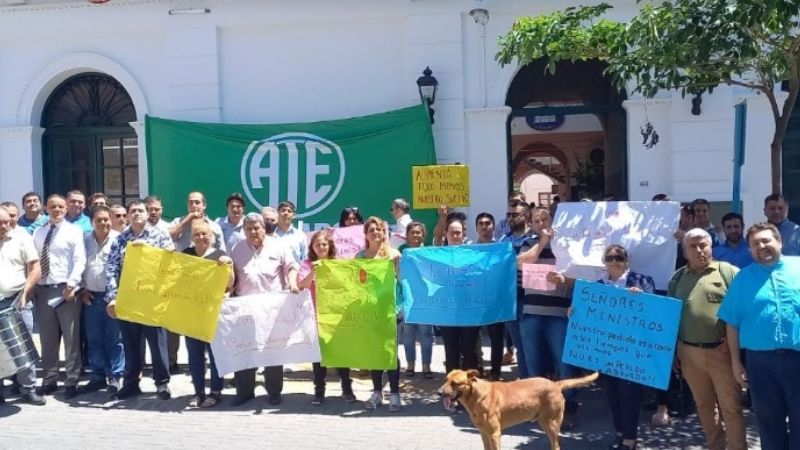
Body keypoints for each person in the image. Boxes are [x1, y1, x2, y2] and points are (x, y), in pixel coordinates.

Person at [552, 245, 656, 450]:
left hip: (632, 350)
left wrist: (642, 298)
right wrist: (574, 312)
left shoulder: (643, 281)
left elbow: (655, 311)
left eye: (619, 257)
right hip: (606, 351)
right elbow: (586, 315)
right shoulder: (597, 287)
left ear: (627, 260)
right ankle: (620, 432)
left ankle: (630, 439)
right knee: (612, 393)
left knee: (629, 394)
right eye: (610, 257)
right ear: (604, 261)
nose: (615, 261)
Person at [718, 222, 800, 450]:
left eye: (766, 240)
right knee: (769, 422)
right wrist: (736, 363)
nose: (761, 246)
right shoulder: (743, 279)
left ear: (779, 242)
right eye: (755, 243)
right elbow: (732, 323)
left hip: (798, 360)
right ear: (750, 249)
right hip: (761, 364)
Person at [669, 228, 745, 450]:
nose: (699, 250)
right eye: (693, 246)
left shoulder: (728, 272)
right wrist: (673, 350)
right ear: (684, 251)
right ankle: (715, 445)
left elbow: (743, 310)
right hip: (688, 353)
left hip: (722, 353)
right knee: (703, 405)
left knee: (731, 407)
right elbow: (669, 316)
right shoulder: (677, 278)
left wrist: (735, 346)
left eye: (703, 244)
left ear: (712, 247)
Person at [517, 206, 580, 430]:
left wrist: (564, 280)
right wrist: (542, 243)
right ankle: (538, 408)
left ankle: (567, 407)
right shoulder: (529, 243)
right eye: (537, 220)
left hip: (559, 315)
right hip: (532, 313)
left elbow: (580, 276)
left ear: (553, 220)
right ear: (532, 224)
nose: (542, 223)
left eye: (545, 218)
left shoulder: (566, 246)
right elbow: (521, 263)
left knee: (563, 364)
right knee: (533, 365)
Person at [106, 199, 175, 400]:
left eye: (140, 210)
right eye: (133, 211)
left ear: (147, 214)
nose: (137, 213)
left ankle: (162, 384)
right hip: (128, 300)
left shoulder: (160, 236)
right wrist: (112, 298)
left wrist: (147, 251)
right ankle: (131, 383)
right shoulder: (120, 240)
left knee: (157, 344)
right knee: (131, 344)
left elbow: (171, 264)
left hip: (152, 300)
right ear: (127, 215)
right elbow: (111, 270)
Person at [230, 213, 299, 407]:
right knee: (245, 352)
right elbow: (231, 277)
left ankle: (274, 393)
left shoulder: (279, 246)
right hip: (245, 310)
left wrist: (293, 284)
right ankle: (244, 392)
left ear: (264, 228)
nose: (253, 231)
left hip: (272, 310)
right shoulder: (237, 249)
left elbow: (292, 267)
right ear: (244, 231)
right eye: (249, 228)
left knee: (272, 353)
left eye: (256, 228)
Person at [32, 194, 87, 399]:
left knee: (71, 338)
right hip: (43, 289)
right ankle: (50, 379)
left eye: (61, 207)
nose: (57, 210)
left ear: (66, 209)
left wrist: (72, 284)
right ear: (46, 208)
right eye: (53, 206)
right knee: (47, 338)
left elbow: (80, 260)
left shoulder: (74, 232)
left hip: (66, 290)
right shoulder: (38, 232)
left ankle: (71, 380)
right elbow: (35, 261)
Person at [168, 191, 225, 373]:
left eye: (198, 203)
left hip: (208, 287)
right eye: (191, 203)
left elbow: (222, 254)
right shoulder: (179, 221)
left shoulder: (214, 226)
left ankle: (212, 369)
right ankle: (182, 364)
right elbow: (169, 237)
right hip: (185, 285)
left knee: (209, 331)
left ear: (204, 205)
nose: (194, 206)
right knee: (186, 328)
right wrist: (187, 221)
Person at [297, 230, 356, 405]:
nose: (321, 247)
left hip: (336, 315)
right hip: (315, 315)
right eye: (317, 245)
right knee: (318, 357)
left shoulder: (337, 263)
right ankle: (319, 390)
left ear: (330, 246)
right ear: (312, 247)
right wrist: (313, 272)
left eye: (324, 244)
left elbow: (347, 286)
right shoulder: (307, 264)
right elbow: (302, 285)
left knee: (340, 354)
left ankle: (347, 388)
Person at [183, 220, 234, 408]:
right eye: (197, 234)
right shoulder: (185, 255)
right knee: (195, 355)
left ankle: (216, 391)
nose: (201, 237)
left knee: (215, 355)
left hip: (214, 313)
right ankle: (198, 392)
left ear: (211, 236)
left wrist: (228, 265)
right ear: (191, 237)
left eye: (205, 234)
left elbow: (230, 284)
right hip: (192, 313)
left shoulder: (220, 255)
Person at [76, 206, 124, 395]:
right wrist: (81, 289)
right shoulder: (85, 241)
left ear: (111, 220)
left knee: (114, 339)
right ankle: (97, 377)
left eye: (106, 219)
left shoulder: (119, 240)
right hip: (91, 297)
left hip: (112, 297)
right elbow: (77, 264)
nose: (103, 223)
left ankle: (115, 376)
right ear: (91, 222)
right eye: (99, 220)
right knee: (94, 339)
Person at [0, 207, 45, 406]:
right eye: (0, 223)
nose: (4, 226)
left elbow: (35, 267)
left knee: (22, 345)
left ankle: (28, 388)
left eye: (6, 222)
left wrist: (26, 292)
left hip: (16, 299)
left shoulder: (21, 238)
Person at [358, 216, 403, 412]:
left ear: (384, 233)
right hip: (369, 310)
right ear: (366, 235)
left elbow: (402, 280)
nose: (376, 232)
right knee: (374, 351)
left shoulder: (393, 254)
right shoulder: (360, 257)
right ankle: (377, 392)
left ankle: (394, 394)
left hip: (390, 310)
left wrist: (396, 266)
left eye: (379, 229)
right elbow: (355, 284)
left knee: (390, 351)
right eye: (371, 230)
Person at [438, 216, 481, 381]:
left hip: (469, 311)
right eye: (452, 233)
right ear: (446, 234)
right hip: (448, 313)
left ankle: (472, 389)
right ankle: (453, 392)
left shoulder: (472, 255)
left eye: (458, 233)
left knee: (470, 351)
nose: (455, 236)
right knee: (451, 352)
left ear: (463, 234)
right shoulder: (438, 256)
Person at [498, 200, 536, 379]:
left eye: (515, 214)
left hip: (532, 298)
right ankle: (525, 381)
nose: (511, 218)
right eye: (509, 215)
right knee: (520, 345)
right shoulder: (503, 240)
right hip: (511, 300)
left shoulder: (535, 238)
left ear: (526, 216)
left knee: (533, 345)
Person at [398, 221, 434, 379]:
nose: (416, 235)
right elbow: (398, 276)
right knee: (408, 334)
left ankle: (426, 366)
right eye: (412, 232)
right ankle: (410, 365)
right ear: (407, 236)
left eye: (419, 232)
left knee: (426, 334)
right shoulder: (401, 253)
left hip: (425, 299)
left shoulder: (429, 252)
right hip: (407, 299)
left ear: (423, 235)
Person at [475, 212, 506, 381]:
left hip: (496, 301)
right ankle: (478, 369)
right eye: (481, 224)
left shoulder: (502, 249)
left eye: (487, 223)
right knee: (475, 337)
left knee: (496, 338)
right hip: (476, 301)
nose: (484, 227)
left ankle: (495, 371)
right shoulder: (470, 250)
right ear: (476, 227)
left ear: (493, 226)